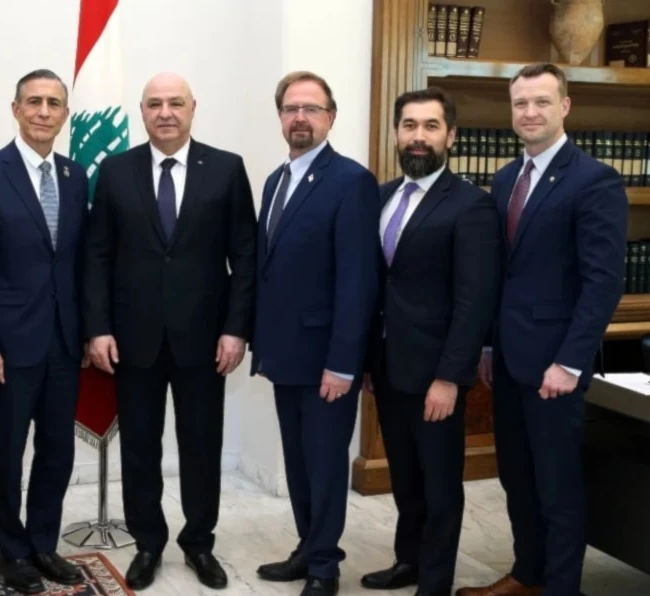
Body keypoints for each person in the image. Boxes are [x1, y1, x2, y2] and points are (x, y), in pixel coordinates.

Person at [83, 72, 257, 591]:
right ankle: (149, 543)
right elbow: (97, 257)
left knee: (201, 446)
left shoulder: (226, 169)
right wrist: (98, 328)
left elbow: (245, 258)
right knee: (139, 447)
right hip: (133, 340)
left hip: (206, 342)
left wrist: (236, 330)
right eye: (155, 104)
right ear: (141, 112)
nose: (165, 112)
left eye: (175, 103)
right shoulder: (115, 171)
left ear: (192, 108)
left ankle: (199, 543)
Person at [457, 64, 627, 596]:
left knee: (557, 487)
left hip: (556, 365)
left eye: (541, 102)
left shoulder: (594, 180)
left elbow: (603, 283)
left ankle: (559, 587)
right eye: (520, 103)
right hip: (508, 360)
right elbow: (498, 274)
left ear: (565, 107)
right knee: (517, 479)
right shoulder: (507, 178)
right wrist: (487, 344)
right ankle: (526, 575)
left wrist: (570, 361)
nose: (529, 113)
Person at [360, 88, 501, 596]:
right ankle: (409, 561)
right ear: (396, 133)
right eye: (410, 125)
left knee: (441, 486)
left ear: (451, 136)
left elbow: (474, 302)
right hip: (389, 367)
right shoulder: (380, 196)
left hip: (437, 374)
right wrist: (369, 359)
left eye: (431, 126)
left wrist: (449, 377)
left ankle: (435, 583)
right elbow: (378, 285)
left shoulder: (471, 206)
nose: (418, 136)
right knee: (405, 476)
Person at [0, 69, 89, 595]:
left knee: (58, 450)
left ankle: (42, 544)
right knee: (7, 453)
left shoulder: (76, 176)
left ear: (64, 115)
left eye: (53, 103)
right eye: (33, 101)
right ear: (15, 109)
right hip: (8, 346)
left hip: (63, 342)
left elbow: (77, 262)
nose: (43, 111)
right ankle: (12, 552)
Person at [250, 71, 379, 596]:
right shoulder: (275, 181)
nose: (300, 117)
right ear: (280, 116)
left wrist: (344, 361)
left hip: (328, 356)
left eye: (312, 109)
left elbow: (357, 279)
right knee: (299, 462)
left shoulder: (351, 181)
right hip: (285, 352)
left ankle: (325, 567)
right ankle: (307, 548)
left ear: (330, 117)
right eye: (291, 108)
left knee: (325, 464)